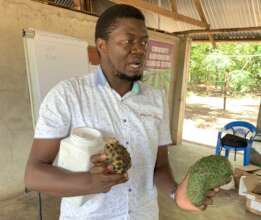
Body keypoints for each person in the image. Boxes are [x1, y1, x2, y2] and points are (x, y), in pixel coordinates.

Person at [24, 4, 216, 220]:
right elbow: (34, 174)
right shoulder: (67, 96)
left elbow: (159, 166)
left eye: (144, 42)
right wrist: (90, 182)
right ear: (102, 46)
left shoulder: (156, 98)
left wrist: (176, 192)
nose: (140, 49)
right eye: (128, 41)